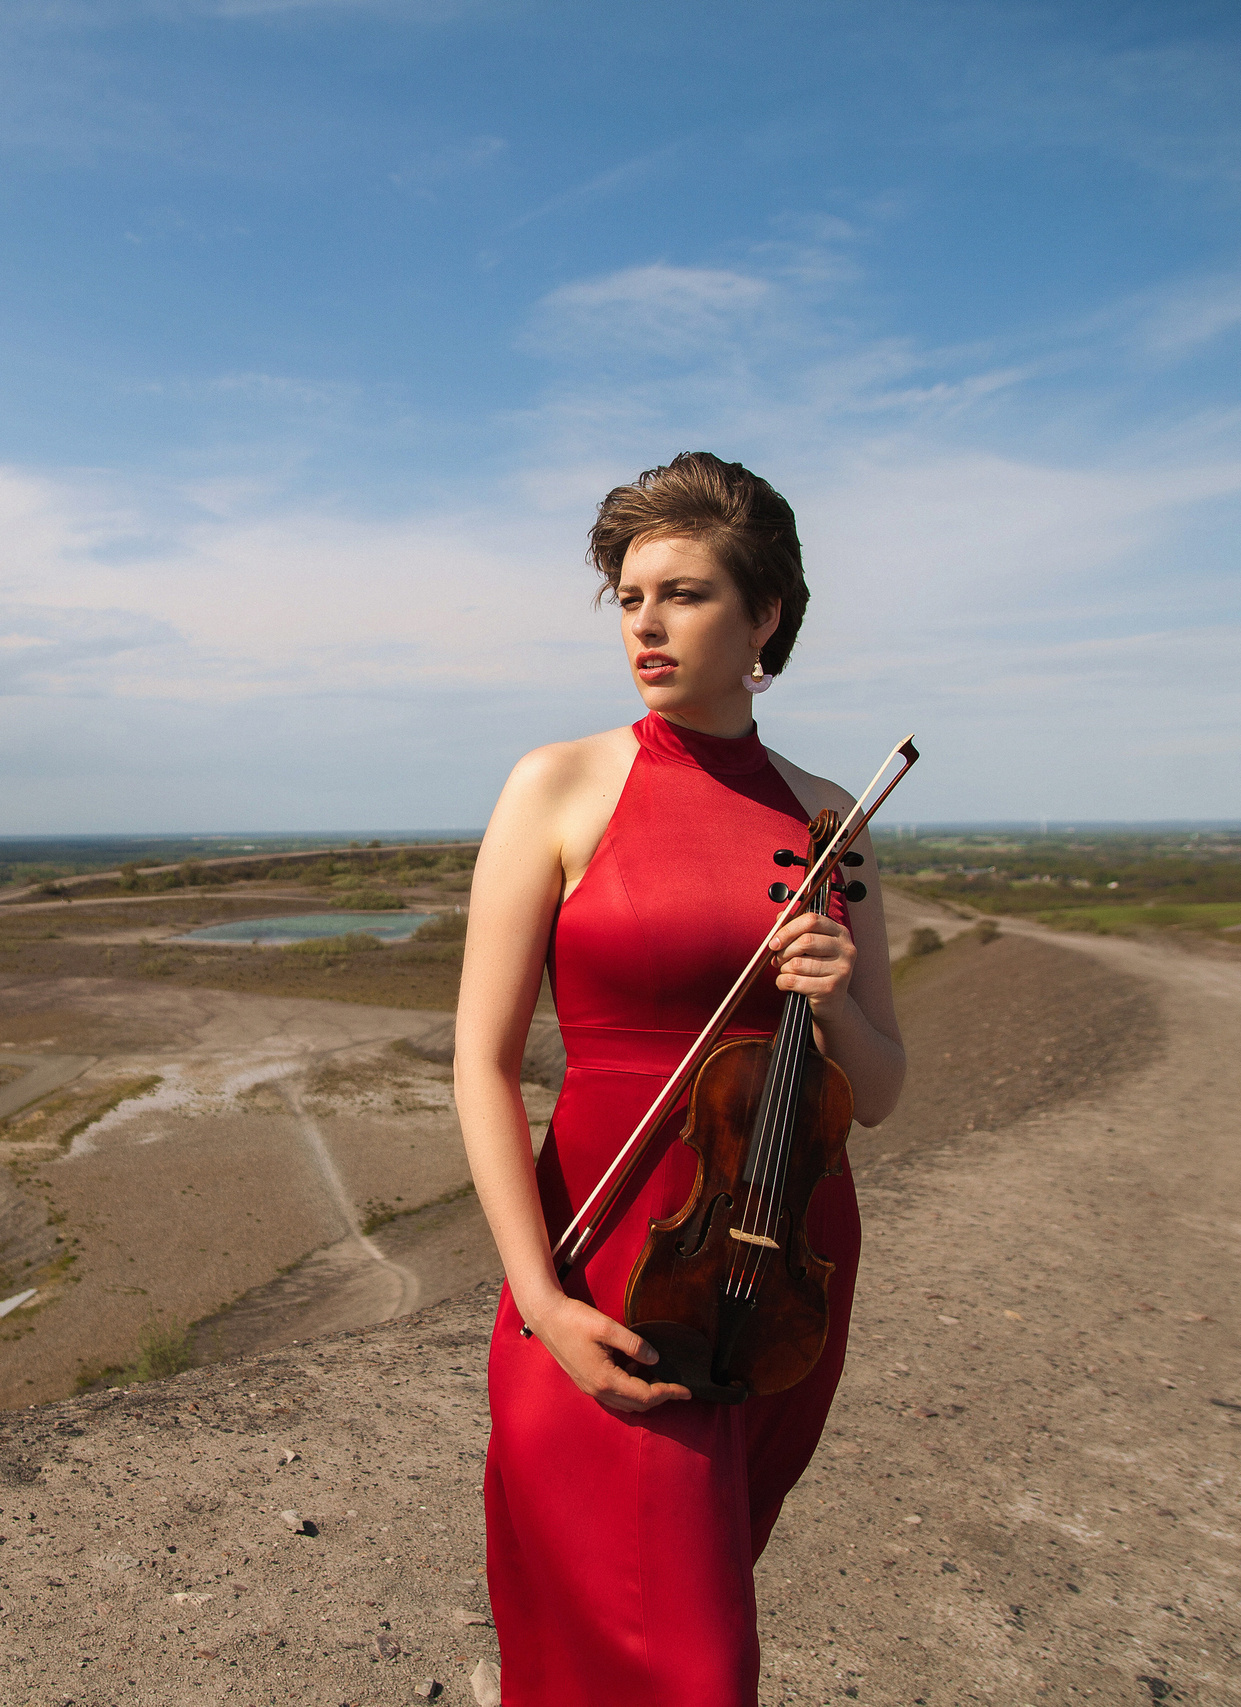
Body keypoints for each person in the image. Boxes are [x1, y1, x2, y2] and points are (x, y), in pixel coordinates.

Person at [454, 452, 908, 1706]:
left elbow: (876, 1086)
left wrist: (826, 993)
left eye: (686, 594)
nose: (646, 624)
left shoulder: (830, 821)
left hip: (772, 1266)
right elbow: (484, 1066)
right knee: (684, 1662)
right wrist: (537, 1298)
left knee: (677, 1614)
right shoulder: (555, 785)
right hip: (596, 1252)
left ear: (763, 618)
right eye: (630, 595)